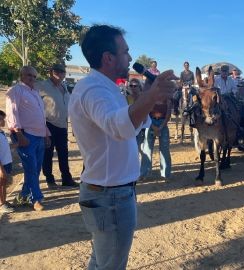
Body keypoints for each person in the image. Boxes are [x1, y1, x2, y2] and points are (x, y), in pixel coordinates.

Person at [69, 24, 177, 269]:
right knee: (110, 265)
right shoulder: (94, 90)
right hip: (111, 195)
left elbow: (132, 125)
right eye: (125, 52)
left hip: (111, 193)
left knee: (102, 261)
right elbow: (118, 127)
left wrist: (148, 97)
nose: (130, 58)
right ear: (108, 58)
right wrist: (151, 96)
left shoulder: (105, 88)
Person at [5, 66, 50, 211]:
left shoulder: (35, 92)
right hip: (25, 134)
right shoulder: (15, 91)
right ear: (22, 75)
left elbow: (41, 115)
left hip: (39, 135)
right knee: (31, 168)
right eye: (29, 75)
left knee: (36, 169)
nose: (32, 78)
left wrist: (46, 133)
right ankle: (35, 199)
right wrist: (18, 133)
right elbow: (12, 113)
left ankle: (23, 195)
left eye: (34, 76)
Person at [36, 63, 78, 189]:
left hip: (63, 125)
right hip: (48, 125)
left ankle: (66, 178)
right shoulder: (42, 85)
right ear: (51, 72)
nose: (59, 74)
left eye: (62, 72)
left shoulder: (64, 86)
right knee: (48, 154)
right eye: (57, 71)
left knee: (63, 153)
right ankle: (50, 180)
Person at [140, 84, 173, 182]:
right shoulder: (151, 100)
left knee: (164, 149)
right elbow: (146, 114)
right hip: (151, 122)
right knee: (147, 149)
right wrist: (153, 127)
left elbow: (168, 115)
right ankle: (144, 173)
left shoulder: (168, 100)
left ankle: (165, 174)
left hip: (162, 123)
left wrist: (161, 127)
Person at [0, 110, 15, 213]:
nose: (3, 121)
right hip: (2, 165)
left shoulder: (2, 133)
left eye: (3, 119)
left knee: (4, 183)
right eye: (1, 119)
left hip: (7, 162)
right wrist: (1, 169)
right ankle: (2, 204)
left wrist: (17, 145)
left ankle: (4, 201)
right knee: (1, 184)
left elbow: (6, 147)